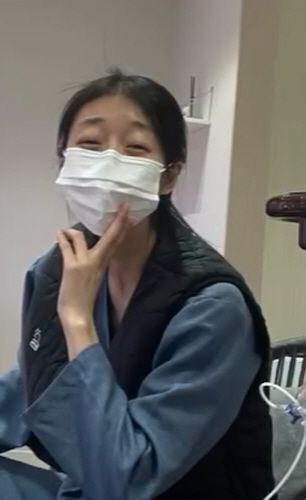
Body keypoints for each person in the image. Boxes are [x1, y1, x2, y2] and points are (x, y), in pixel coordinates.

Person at [0, 70, 274, 499]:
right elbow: (29, 385)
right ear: (64, 160)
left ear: (169, 175)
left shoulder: (211, 307)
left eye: (135, 148)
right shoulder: (56, 270)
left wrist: (77, 321)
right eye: (90, 144)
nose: (109, 162)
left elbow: (126, 480)